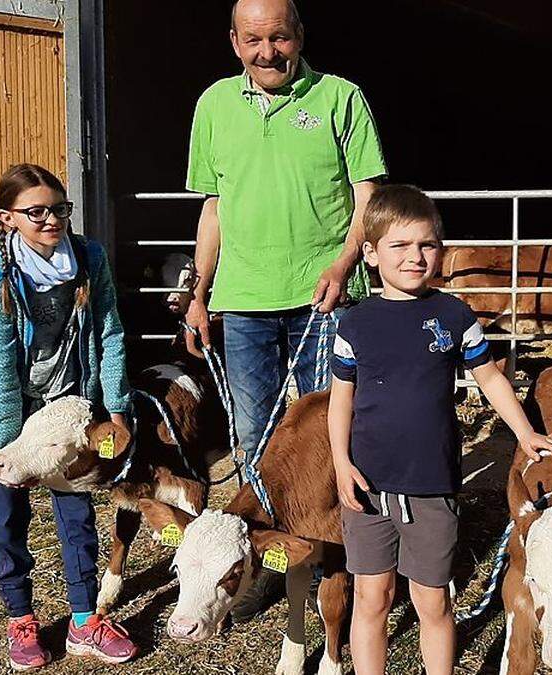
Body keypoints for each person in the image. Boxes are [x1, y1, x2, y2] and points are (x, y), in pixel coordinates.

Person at [183, 0, 387, 619]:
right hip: (243, 301)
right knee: (254, 437)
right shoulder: (213, 105)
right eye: (253, 39)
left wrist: (344, 263)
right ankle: (265, 558)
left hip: (324, 295)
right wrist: (199, 291)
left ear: (298, 36)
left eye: (278, 37)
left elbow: (367, 194)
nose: (266, 51)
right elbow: (213, 206)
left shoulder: (340, 97)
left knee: (332, 434)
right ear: (234, 42)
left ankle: (337, 560)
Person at [328, 185, 552, 674]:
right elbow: (340, 401)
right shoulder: (355, 323)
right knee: (371, 596)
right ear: (371, 255)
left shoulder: (454, 315)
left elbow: (489, 378)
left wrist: (524, 433)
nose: (416, 257)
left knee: (432, 600)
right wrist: (340, 463)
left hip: (431, 482)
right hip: (367, 484)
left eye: (427, 245)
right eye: (400, 246)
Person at [0, 164, 138, 669]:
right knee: (8, 519)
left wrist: (117, 409)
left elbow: (109, 332)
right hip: (8, 414)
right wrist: (6, 450)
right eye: (35, 211)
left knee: (77, 516)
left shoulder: (88, 258)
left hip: (66, 413)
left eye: (59, 209)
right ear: (7, 218)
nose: (50, 220)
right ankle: (21, 618)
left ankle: (85, 620)